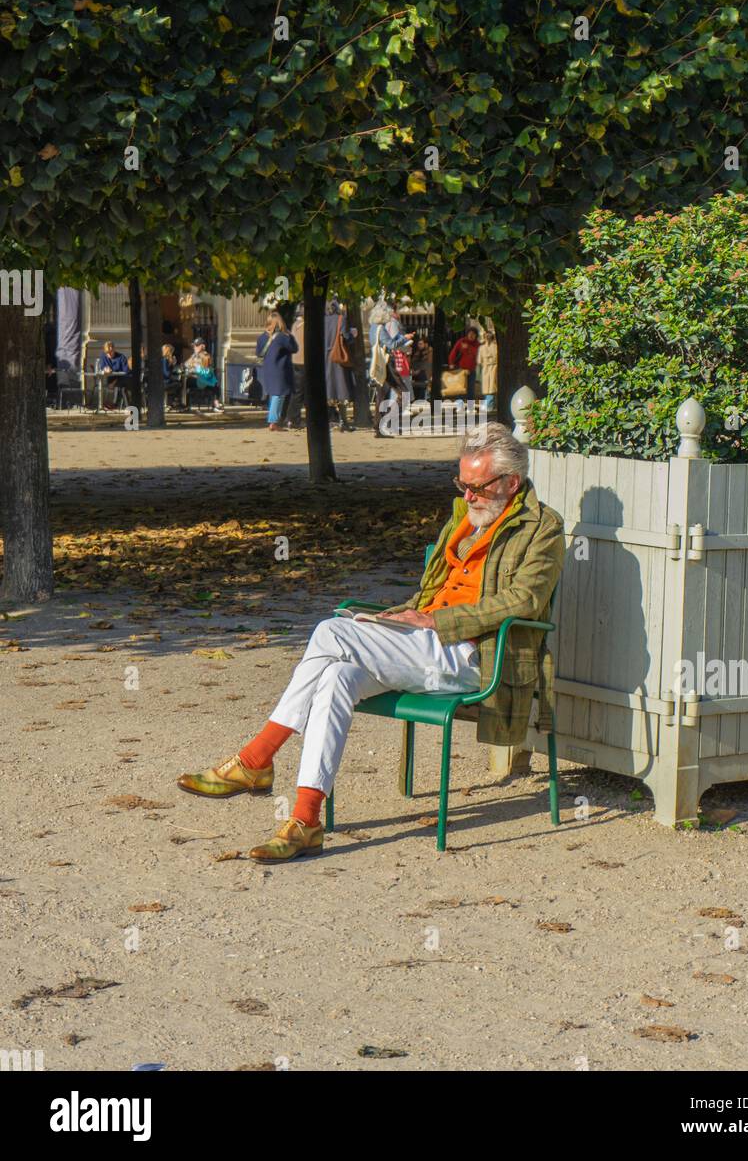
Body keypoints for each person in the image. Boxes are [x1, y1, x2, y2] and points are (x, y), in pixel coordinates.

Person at [177, 423, 565, 862]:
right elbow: (434, 588)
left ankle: (256, 758)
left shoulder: (543, 528)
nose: (467, 495)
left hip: (476, 654)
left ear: (511, 483)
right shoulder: (464, 518)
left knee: (331, 631)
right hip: (423, 642)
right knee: (337, 677)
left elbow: (526, 599)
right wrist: (398, 618)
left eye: (477, 487)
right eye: (462, 484)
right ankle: (305, 821)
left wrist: (435, 620)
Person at [368, 298, 413, 437]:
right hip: (387, 363)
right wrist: (405, 337)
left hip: (379, 364)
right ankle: (389, 420)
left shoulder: (372, 328)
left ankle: (378, 427)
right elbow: (392, 344)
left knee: (381, 396)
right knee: (404, 392)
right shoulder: (381, 328)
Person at [255, 313, 297, 431]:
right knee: (279, 395)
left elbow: (258, 353)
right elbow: (294, 348)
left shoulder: (262, 337)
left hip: (268, 368)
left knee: (275, 394)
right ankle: (273, 422)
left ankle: (276, 421)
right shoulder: (283, 337)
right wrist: (289, 335)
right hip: (280, 368)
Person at [324, 298, 357, 432]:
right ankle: (343, 422)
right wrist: (353, 335)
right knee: (341, 389)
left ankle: (328, 421)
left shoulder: (321, 320)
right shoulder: (340, 319)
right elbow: (345, 336)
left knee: (328, 389)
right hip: (337, 357)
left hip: (324, 358)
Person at [185, 338, 223, 411]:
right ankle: (184, 404)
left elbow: (206, 370)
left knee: (215, 384)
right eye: (194, 346)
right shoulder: (193, 356)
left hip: (201, 379)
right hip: (193, 379)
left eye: (195, 346)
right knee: (184, 383)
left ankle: (216, 404)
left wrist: (194, 369)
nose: (194, 348)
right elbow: (186, 364)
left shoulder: (206, 356)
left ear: (202, 346)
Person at [284, 306, 305, 428]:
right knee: (299, 392)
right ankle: (293, 418)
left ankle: (291, 417)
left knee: (297, 391)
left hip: (295, 360)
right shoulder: (304, 325)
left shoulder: (295, 325)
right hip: (303, 361)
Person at [95, 340, 131, 409]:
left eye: (111, 352)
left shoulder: (121, 357)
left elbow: (126, 371)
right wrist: (105, 369)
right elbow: (102, 366)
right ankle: (125, 407)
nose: (109, 354)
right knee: (122, 388)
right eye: (107, 353)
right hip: (112, 380)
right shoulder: (104, 356)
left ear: (114, 349)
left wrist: (114, 380)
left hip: (123, 378)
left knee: (120, 386)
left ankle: (115, 404)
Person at [448, 326, 480, 401]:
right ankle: (460, 407)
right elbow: (454, 352)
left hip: (472, 370)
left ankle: (470, 408)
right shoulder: (461, 341)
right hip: (461, 369)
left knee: (471, 390)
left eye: (473, 334)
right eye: (470, 333)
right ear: (467, 334)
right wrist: (451, 363)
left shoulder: (478, 345)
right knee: (460, 389)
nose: (471, 335)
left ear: (476, 336)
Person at [477, 325, 498, 415]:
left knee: (492, 388)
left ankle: (489, 405)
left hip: (494, 367)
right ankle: (488, 404)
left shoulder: (496, 346)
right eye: (486, 336)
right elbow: (479, 360)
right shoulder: (481, 348)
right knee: (486, 388)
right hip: (485, 368)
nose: (487, 338)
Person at [410, 332, 433, 402]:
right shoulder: (418, 352)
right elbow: (413, 362)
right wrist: (413, 370)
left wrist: (418, 370)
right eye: (418, 344)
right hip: (417, 374)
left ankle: (421, 399)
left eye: (420, 344)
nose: (418, 345)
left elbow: (428, 364)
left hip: (426, 374)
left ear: (426, 344)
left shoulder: (430, 351)